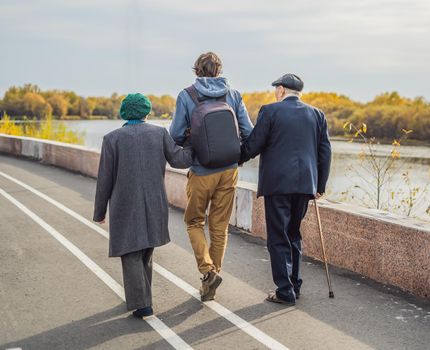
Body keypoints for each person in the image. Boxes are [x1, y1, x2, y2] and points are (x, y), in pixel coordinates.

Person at [93, 93, 192, 318]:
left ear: (124, 113)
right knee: (145, 251)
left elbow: (104, 180)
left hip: (125, 206)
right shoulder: (159, 133)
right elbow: (179, 160)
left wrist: (99, 212)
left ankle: (142, 304)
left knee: (130, 253)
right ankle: (142, 297)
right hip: (154, 204)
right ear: (147, 112)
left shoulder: (112, 139)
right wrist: (192, 142)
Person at [239, 73, 332, 305]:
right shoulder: (317, 114)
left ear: (281, 90)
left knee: (278, 237)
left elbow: (254, 145)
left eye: (275, 89)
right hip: (304, 186)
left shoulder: (270, 111)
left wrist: (236, 157)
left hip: (278, 184)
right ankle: (294, 285)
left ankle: (284, 291)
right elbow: (325, 152)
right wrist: (319, 186)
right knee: (293, 234)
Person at [169, 52, 253, 301]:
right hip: (229, 171)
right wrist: (238, 158)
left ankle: (207, 272)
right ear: (219, 70)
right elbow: (248, 131)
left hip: (202, 170)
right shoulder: (234, 94)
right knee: (220, 227)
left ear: (196, 71)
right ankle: (211, 279)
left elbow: (174, 135)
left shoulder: (187, 95)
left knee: (194, 222)